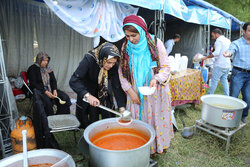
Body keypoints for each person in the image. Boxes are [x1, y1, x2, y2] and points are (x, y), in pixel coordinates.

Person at [119, 15, 173, 154]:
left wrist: (156, 78)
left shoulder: (155, 43)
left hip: (155, 90)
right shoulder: (126, 47)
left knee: (156, 118)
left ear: (142, 30)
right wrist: (130, 91)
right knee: (140, 119)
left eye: (134, 35)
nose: (131, 39)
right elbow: (121, 72)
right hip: (136, 90)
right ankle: (142, 147)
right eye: (128, 35)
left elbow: (166, 66)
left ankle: (157, 146)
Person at [69, 42, 126, 128]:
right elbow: (74, 80)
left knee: (108, 117)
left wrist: (122, 108)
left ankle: (107, 133)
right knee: (92, 118)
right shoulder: (89, 59)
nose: (111, 66)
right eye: (109, 62)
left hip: (104, 90)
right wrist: (88, 96)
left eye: (113, 63)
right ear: (103, 58)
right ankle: (90, 135)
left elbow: (116, 86)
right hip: (88, 90)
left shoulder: (113, 64)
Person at [27, 52, 71, 116]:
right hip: (40, 91)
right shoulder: (32, 69)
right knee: (47, 102)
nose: (46, 62)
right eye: (44, 60)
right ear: (39, 60)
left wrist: (54, 89)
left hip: (50, 89)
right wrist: (45, 92)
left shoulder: (48, 68)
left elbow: (53, 80)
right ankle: (50, 119)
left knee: (64, 97)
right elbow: (34, 84)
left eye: (47, 60)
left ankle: (61, 116)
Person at [224, 22, 250, 123]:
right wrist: (228, 53)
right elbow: (231, 50)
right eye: (249, 30)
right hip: (238, 73)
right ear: (243, 31)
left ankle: (243, 116)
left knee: (248, 98)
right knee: (233, 97)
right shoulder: (237, 43)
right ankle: (228, 117)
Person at [202, 28, 231, 95]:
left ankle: (209, 95)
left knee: (214, 81)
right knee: (224, 80)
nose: (212, 37)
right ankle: (227, 95)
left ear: (217, 34)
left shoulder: (218, 41)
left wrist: (206, 57)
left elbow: (216, 53)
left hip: (220, 64)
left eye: (213, 36)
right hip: (227, 64)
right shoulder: (227, 40)